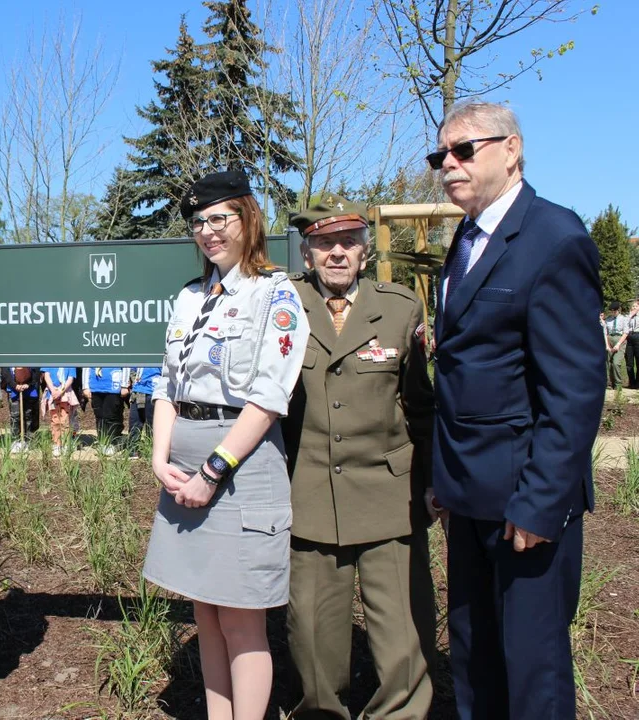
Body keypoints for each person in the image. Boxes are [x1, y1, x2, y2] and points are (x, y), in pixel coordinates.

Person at [429, 102, 603, 720]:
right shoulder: (467, 238)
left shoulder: (555, 239)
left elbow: (575, 391)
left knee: (534, 671)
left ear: (512, 150)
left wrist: (539, 501)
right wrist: (443, 482)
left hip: (523, 500)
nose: (448, 164)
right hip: (468, 495)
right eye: (440, 155)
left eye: (463, 150)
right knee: (475, 658)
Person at [142, 170, 308, 720]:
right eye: (198, 222)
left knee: (241, 617)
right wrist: (159, 457)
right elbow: (167, 384)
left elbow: (268, 395)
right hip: (183, 453)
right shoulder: (190, 298)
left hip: (240, 460)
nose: (208, 230)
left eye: (220, 218)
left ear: (248, 219)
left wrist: (213, 470)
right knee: (206, 614)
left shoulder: (274, 293)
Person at [282, 195, 437, 718]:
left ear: (365, 253)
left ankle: (401, 713)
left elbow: (421, 406)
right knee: (312, 636)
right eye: (324, 243)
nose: (337, 253)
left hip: (389, 495)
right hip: (310, 495)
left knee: (403, 635)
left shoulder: (398, 309)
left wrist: (432, 482)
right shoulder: (281, 306)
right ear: (307, 255)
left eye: (348, 242)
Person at [82, 366, 130, 454]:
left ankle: (113, 442)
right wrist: (85, 386)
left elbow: (126, 364)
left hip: (113, 386)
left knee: (112, 415)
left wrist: (124, 385)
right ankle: (103, 441)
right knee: (99, 416)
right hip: (95, 386)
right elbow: (86, 366)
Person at [0, 366, 41, 453]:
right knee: (15, 416)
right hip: (13, 390)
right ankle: (16, 440)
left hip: (29, 390)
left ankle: (27, 440)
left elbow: (36, 372)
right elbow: (5, 373)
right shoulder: (8, 360)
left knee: (28, 415)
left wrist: (29, 384)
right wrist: (14, 385)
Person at [41, 366, 78, 457]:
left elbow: (70, 379)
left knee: (65, 421)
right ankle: (57, 444)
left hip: (65, 394)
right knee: (55, 421)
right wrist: (53, 391)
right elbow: (46, 376)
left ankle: (65, 444)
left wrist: (60, 391)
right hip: (52, 394)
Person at [127, 366, 161, 458]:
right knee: (135, 422)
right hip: (138, 392)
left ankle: (152, 450)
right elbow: (132, 369)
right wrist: (133, 380)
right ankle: (133, 449)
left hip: (154, 392)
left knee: (153, 423)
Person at [604, 301, 627, 389]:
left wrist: (618, 344)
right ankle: (610, 383)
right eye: (611, 311)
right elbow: (605, 333)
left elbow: (625, 332)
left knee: (616, 363)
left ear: (618, 310)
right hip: (610, 339)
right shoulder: (608, 319)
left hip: (619, 340)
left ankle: (618, 384)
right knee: (608, 363)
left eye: (615, 311)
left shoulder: (624, 319)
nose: (613, 313)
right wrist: (607, 345)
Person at [625, 301, 639, 388]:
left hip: (638, 336)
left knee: (638, 361)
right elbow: (624, 325)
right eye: (633, 306)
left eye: (636, 306)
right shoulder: (627, 316)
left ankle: (638, 383)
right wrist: (630, 316)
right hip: (629, 337)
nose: (634, 308)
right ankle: (631, 382)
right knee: (629, 363)